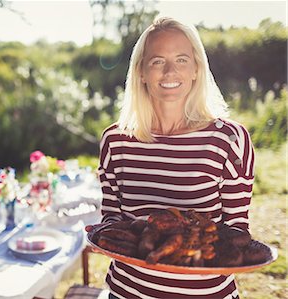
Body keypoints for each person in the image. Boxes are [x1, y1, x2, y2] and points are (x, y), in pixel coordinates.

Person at [96, 17, 255, 298]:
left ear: (196, 69)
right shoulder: (115, 141)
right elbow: (112, 221)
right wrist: (102, 234)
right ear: (141, 72)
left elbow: (236, 233)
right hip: (128, 292)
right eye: (157, 61)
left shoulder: (230, 140)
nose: (170, 71)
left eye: (182, 59)